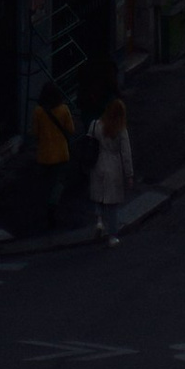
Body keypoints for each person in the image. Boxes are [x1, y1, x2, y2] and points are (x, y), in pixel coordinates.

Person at [29, 78, 78, 232]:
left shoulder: (38, 111)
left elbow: (35, 133)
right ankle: (53, 204)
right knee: (58, 182)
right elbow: (71, 130)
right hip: (61, 153)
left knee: (45, 182)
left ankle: (44, 207)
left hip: (44, 154)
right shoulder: (63, 109)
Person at [89, 96, 136, 245]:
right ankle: (112, 236)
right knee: (112, 204)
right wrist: (129, 175)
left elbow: (89, 142)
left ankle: (99, 221)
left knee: (99, 196)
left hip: (97, 163)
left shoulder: (95, 124)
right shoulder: (120, 130)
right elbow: (126, 154)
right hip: (113, 166)